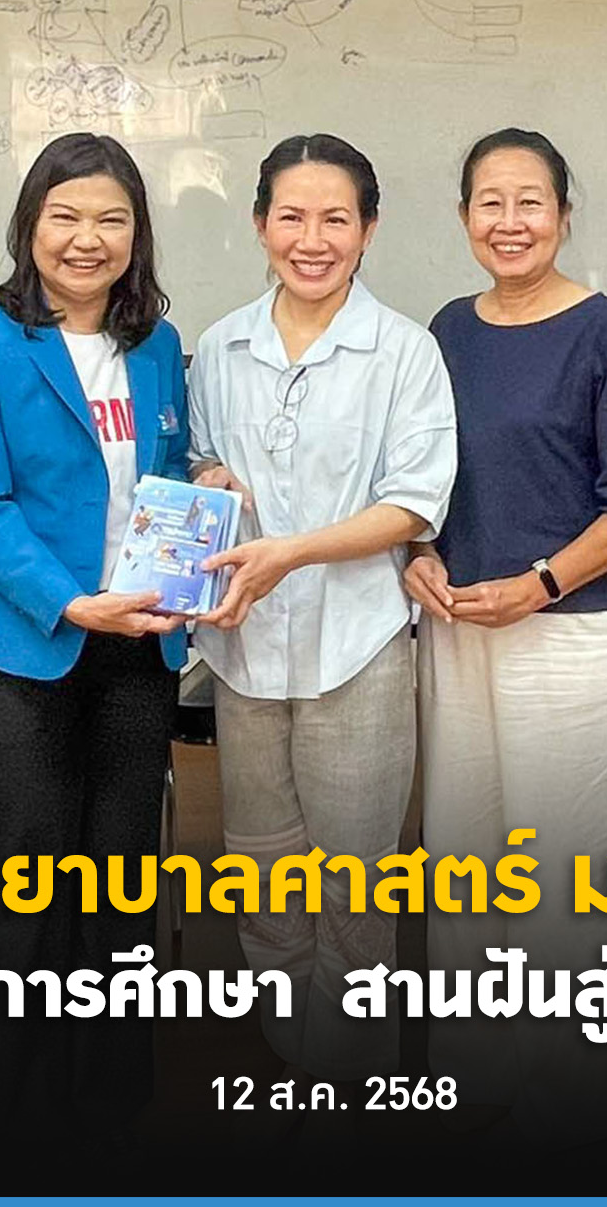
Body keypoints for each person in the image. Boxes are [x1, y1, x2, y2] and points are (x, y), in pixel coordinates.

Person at [408, 127, 607, 1145]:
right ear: (464, 217)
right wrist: (418, 552)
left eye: (531, 201)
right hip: (457, 629)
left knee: (561, 876)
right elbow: (421, 470)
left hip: (569, 635)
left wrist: (542, 582)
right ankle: (480, 1079)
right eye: (490, 201)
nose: (510, 221)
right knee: (466, 859)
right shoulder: (448, 329)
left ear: (564, 214)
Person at [0, 131, 185, 1145]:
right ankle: (21, 1117)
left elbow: (158, 474)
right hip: (18, 647)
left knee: (121, 884)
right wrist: (72, 603)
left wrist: (201, 481)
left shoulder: (154, 342)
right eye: (65, 215)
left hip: (136, 649)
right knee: (27, 891)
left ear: (136, 233)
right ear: (30, 225)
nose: (88, 237)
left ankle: (112, 1101)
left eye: (112, 218)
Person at [185, 134, 457, 1096]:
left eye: (336, 218)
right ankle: (293, 1058)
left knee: (356, 880)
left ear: (369, 230)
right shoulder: (221, 346)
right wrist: (210, 478)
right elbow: (200, 461)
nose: (313, 239)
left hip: (359, 645)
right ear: (260, 224)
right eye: (292, 217)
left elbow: (414, 503)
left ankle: (354, 1074)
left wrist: (292, 551)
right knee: (261, 873)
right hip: (243, 649)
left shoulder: (406, 351)